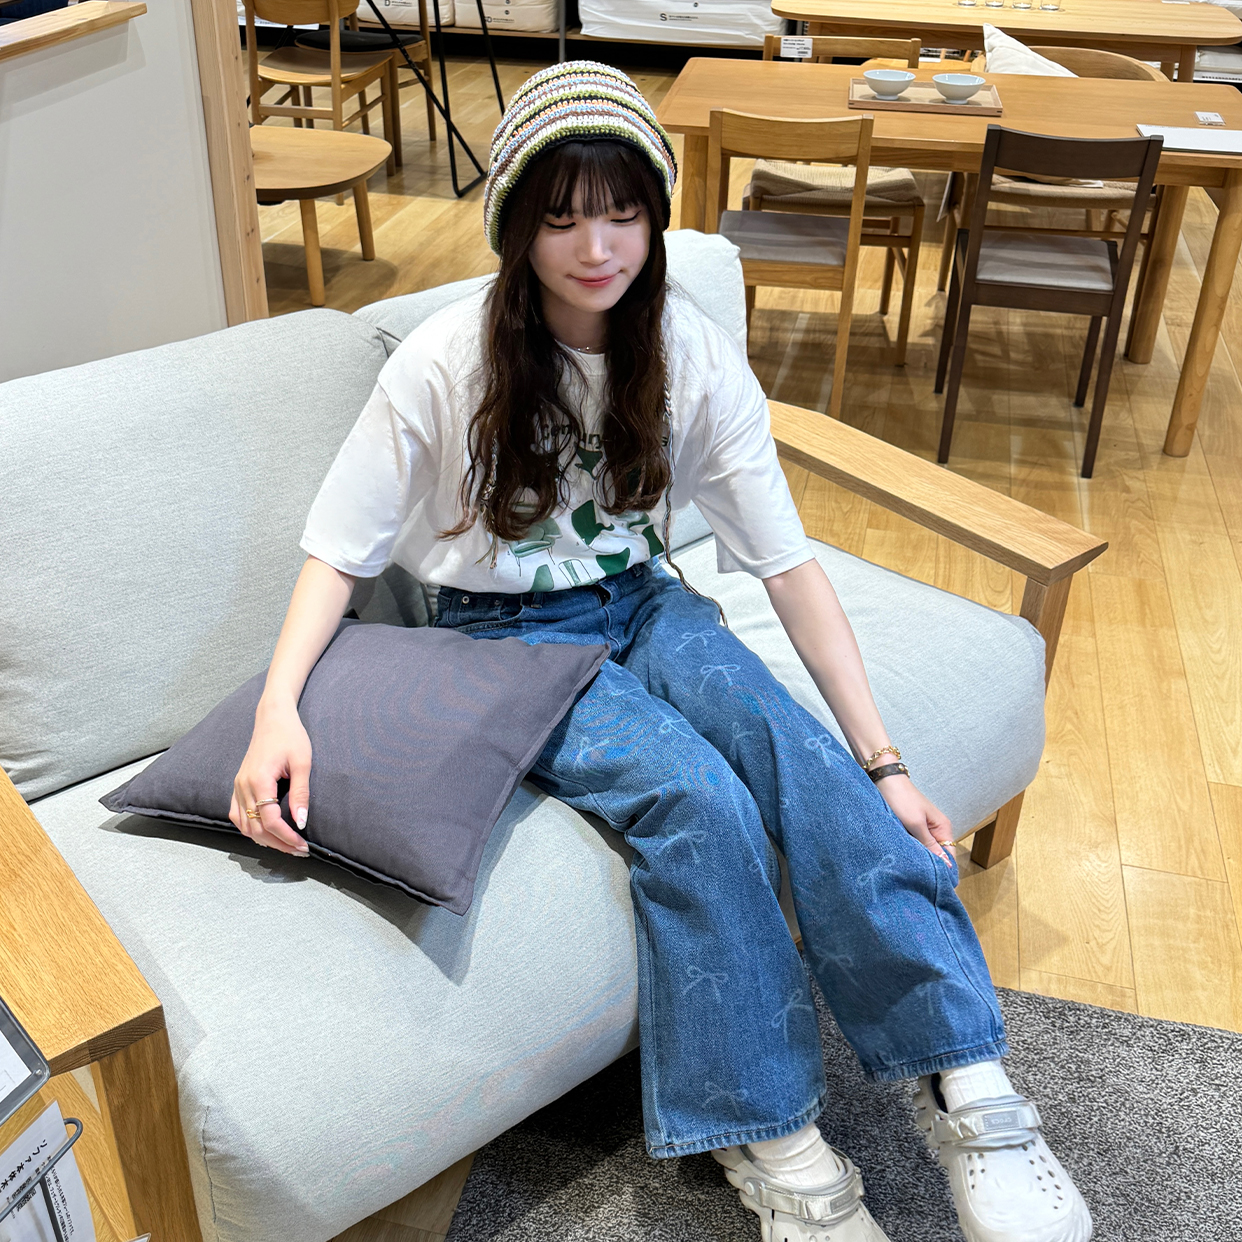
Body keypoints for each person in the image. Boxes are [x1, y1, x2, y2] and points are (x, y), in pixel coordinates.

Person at [230, 62, 1091, 1242]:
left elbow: (787, 567)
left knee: (795, 756)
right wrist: (280, 709)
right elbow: (338, 549)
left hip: (642, 602)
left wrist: (885, 763)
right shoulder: (442, 362)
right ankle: (774, 1140)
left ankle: (970, 1088)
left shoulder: (688, 350)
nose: (598, 247)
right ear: (518, 224)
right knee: (696, 801)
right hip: (502, 638)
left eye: (623, 212)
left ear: (655, 216)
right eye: (562, 216)